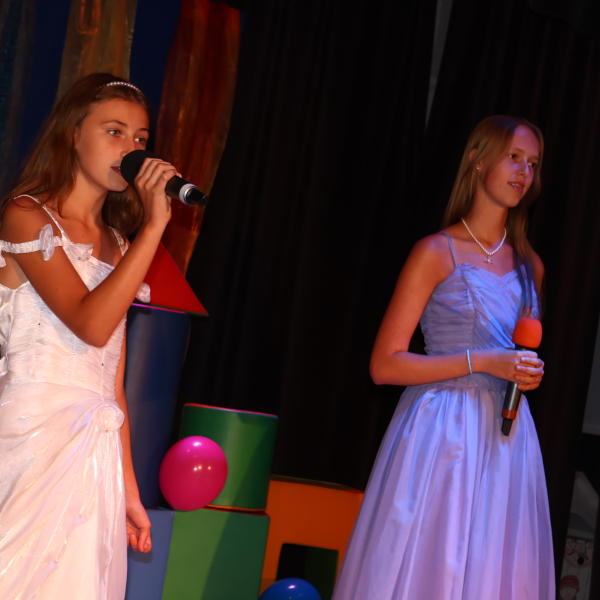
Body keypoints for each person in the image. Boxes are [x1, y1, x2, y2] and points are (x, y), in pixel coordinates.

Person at [332, 116, 554, 599]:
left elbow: (520, 348)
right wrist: (483, 361)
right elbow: (384, 365)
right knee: (431, 563)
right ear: (478, 160)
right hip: (441, 431)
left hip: (507, 437)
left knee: (491, 568)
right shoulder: (435, 251)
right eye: (514, 157)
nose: (524, 172)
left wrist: (524, 371)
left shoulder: (530, 265)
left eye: (533, 164)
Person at [0, 73, 178, 599]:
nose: (131, 149)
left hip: (94, 453)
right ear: (74, 134)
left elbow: (110, 382)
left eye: (141, 138)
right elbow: (90, 323)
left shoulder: (120, 244)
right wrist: (155, 227)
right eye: (114, 132)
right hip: (32, 438)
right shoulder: (25, 215)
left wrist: (129, 488)